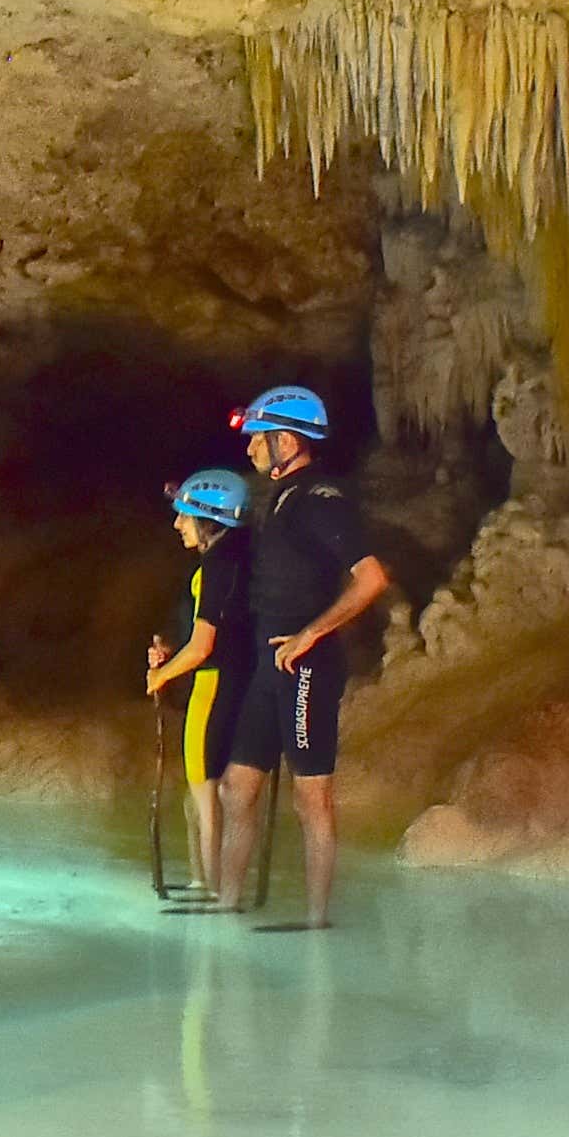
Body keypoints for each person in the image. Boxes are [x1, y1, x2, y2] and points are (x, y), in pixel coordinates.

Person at [211, 386, 389, 931]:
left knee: (312, 799)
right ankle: (226, 909)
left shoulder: (319, 499)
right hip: (272, 667)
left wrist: (309, 635)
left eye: (257, 442)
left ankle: (316, 925)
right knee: (235, 788)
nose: (249, 452)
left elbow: (372, 578)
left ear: (286, 440)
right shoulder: (282, 499)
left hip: (305, 666)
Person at [145, 468, 253, 899]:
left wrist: (162, 674)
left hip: (212, 689)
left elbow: (204, 645)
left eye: (184, 515)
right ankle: (207, 881)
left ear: (208, 518)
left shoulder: (214, 567)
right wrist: (172, 649)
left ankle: (214, 894)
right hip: (237, 684)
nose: (177, 524)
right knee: (204, 801)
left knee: (206, 798)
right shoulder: (241, 560)